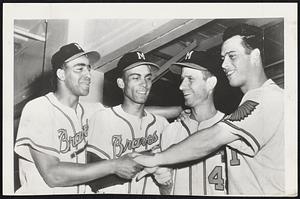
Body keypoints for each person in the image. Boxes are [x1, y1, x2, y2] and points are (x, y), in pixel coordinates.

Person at [134, 23, 284, 195]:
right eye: (223, 58)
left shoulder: (268, 98)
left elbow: (212, 137)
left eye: (232, 56)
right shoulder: (249, 107)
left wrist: (156, 158)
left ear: (255, 56)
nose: (224, 64)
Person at [14, 43, 143, 194]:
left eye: (88, 68)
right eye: (79, 69)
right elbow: (52, 175)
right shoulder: (39, 108)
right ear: (61, 74)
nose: (88, 75)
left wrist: (177, 110)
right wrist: (114, 165)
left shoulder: (90, 110)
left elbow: (129, 113)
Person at [86, 51, 172, 194]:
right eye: (135, 77)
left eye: (147, 78)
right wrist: (147, 160)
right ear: (121, 83)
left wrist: (165, 183)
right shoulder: (103, 118)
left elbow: (167, 182)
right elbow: (94, 180)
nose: (144, 84)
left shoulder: (162, 124)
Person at [154, 50, 228, 195]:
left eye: (190, 79)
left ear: (210, 83)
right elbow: (165, 191)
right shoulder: (171, 131)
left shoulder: (232, 128)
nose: (182, 86)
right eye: (182, 79)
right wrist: (164, 183)